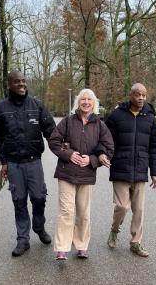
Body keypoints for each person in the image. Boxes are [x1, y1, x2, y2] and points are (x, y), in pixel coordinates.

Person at [0, 70, 56, 257]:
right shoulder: (0, 108)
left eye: (24, 81)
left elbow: (51, 131)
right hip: (13, 164)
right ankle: (22, 239)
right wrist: (3, 162)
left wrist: (65, 149)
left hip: (34, 162)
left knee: (39, 197)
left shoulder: (37, 105)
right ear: (9, 84)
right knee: (18, 201)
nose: (22, 84)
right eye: (17, 82)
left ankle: (39, 227)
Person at [48, 89, 114, 260]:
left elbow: (108, 147)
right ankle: (62, 247)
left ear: (94, 103)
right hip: (66, 173)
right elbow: (54, 141)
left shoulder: (100, 125)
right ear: (78, 102)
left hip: (87, 174)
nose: (86, 102)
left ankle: (81, 245)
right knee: (66, 211)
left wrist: (93, 160)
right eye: (83, 99)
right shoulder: (68, 121)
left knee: (83, 213)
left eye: (89, 100)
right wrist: (69, 153)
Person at [102, 83, 156, 257]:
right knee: (122, 206)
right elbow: (105, 139)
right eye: (137, 94)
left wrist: (155, 172)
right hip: (120, 167)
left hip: (141, 169)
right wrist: (102, 154)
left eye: (144, 95)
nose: (141, 98)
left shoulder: (150, 117)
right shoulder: (117, 115)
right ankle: (114, 230)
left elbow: (155, 146)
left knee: (139, 209)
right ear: (131, 95)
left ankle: (136, 242)